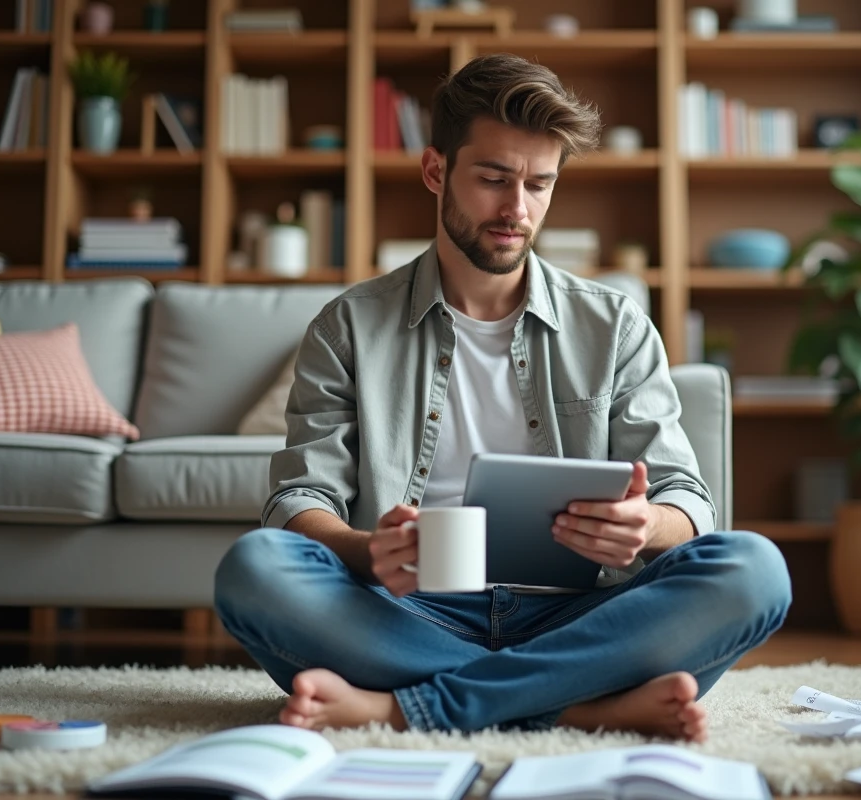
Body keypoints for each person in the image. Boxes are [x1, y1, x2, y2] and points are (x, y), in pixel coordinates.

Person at [214, 53, 791, 742]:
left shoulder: (615, 326)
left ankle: (406, 707)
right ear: (436, 171)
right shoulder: (348, 327)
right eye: (493, 179)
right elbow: (299, 500)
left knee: (754, 570)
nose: (517, 209)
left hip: (578, 614)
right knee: (256, 567)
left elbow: (687, 501)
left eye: (539, 185)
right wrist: (369, 551)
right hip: (408, 611)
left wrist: (645, 525)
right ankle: (578, 704)